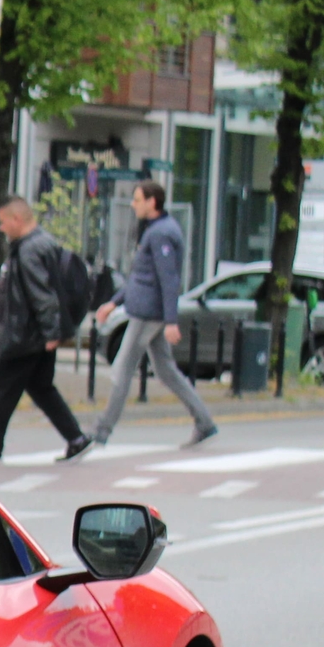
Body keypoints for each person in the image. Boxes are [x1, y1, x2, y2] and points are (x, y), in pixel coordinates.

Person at [86, 181, 219, 449]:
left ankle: (101, 430)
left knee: (122, 369)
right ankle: (204, 422)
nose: (133, 205)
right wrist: (114, 302)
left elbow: (168, 280)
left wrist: (171, 320)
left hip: (149, 314)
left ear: (152, 202)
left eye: (137, 200)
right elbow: (141, 276)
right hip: (148, 310)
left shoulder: (160, 234)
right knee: (165, 370)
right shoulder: (156, 231)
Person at [0, 197, 92, 462]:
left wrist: (51, 333)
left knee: (3, 388)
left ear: (17, 220)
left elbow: (43, 295)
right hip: (35, 334)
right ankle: (76, 438)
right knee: (41, 387)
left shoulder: (29, 250)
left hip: (24, 335)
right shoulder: (44, 243)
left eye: (3, 222)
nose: (2, 228)